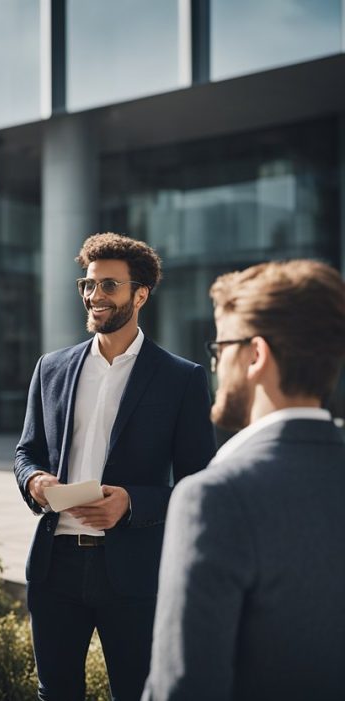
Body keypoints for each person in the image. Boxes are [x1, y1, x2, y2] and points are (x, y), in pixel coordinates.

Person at [13, 233, 216, 700]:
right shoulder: (51, 368)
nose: (94, 296)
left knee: (138, 691)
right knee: (55, 691)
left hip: (133, 569)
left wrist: (132, 502)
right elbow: (26, 452)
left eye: (108, 286)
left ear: (139, 294)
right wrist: (36, 480)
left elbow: (198, 482)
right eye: (87, 284)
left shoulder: (180, 378)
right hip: (55, 566)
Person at [143, 260, 345, 700]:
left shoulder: (214, 497)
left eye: (220, 349)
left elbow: (182, 689)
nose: (215, 365)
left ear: (256, 355)